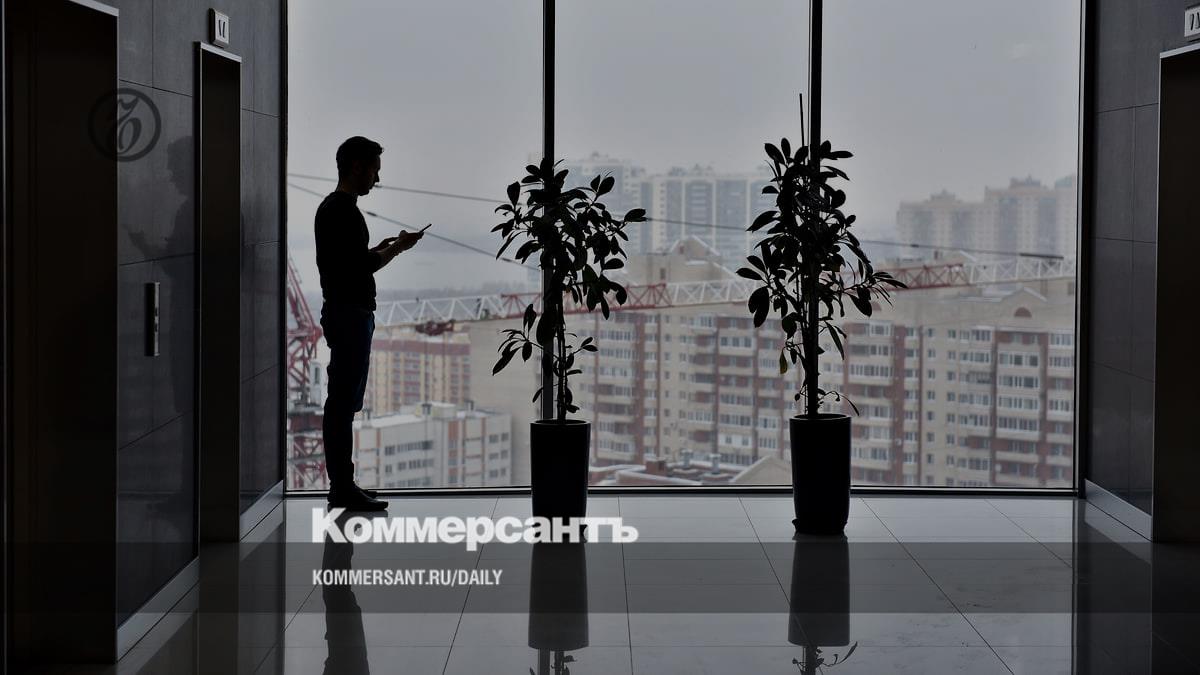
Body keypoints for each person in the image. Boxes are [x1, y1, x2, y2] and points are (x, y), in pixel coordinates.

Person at [316, 136, 424, 511]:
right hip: (350, 316)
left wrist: (378, 249)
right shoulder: (344, 211)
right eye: (374, 170)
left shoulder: (333, 209)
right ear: (357, 167)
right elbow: (361, 267)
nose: (377, 179)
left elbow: (348, 262)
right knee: (342, 405)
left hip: (345, 314)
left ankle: (343, 484)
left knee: (342, 403)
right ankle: (342, 487)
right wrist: (396, 249)